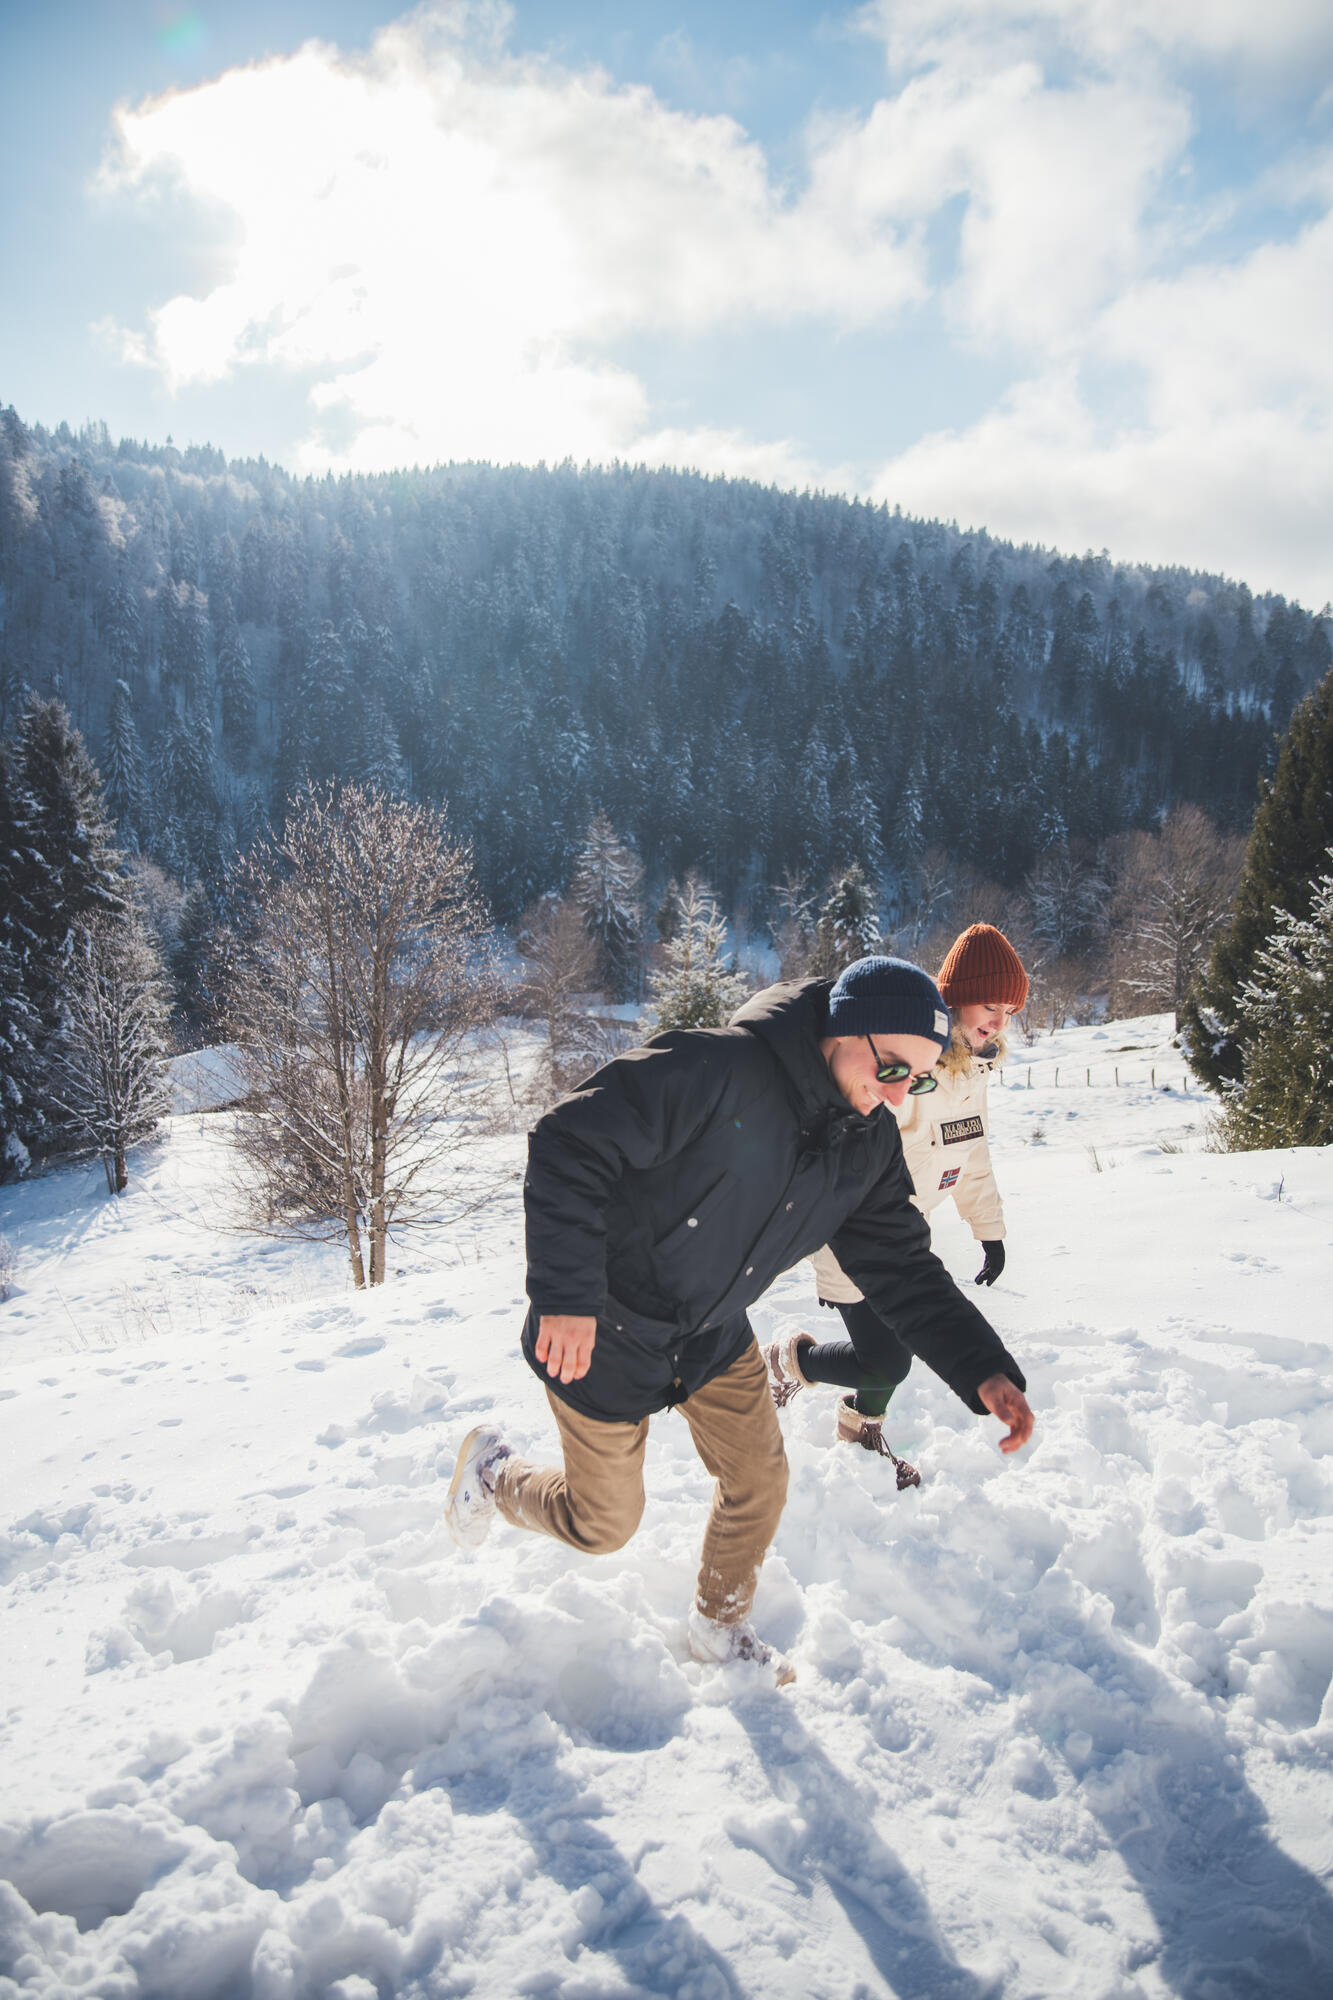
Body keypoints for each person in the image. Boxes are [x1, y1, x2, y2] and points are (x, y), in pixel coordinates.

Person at [446, 954, 1034, 1684]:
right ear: (843, 1031)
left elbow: (903, 1268)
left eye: (914, 1080)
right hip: (603, 1328)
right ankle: (494, 1474)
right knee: (602, 1524)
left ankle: (719, 1625)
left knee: (759, 1479)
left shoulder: (866, 1144)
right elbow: (569, 1138)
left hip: (711, 1331)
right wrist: (567, 1295)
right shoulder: (719, 1069)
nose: (894, 1095)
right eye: (890, 1068)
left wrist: (984, 1370)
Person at [767, 925, 1030, 1486]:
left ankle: (860, 1426)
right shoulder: (907, 1065)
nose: (1000, 1022)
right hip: (855, 1229)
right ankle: (791, 1362)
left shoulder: (975, 1071)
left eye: (1010, 1010)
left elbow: (971, 1151)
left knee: (888, 1353)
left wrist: (989, 1228)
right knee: (886, 1358)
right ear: (956, 998)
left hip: (901, 1234)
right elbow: (854, 1145)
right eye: (990, 1005)